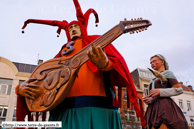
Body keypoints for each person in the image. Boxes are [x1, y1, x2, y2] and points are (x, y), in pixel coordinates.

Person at [15, 0, 145, 128]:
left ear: (83, 27)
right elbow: (42, 80)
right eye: (70, 27)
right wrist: (20, 89)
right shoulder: (61, 55)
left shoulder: (96, 42)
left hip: (97, 112)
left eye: (76, 26)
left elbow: (118, 63)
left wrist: (105, 64)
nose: (72, 29)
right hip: (63, 114)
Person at [143, 54, 189, 129]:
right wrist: (148, 100)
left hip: (165, 107)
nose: (152, 64)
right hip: (153, 109)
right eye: (151, 63)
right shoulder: (152, 79)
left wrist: (160, 91)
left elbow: (179, 90)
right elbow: (153, 95)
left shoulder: (168, 73)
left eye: (154, 61)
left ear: (162, 62)